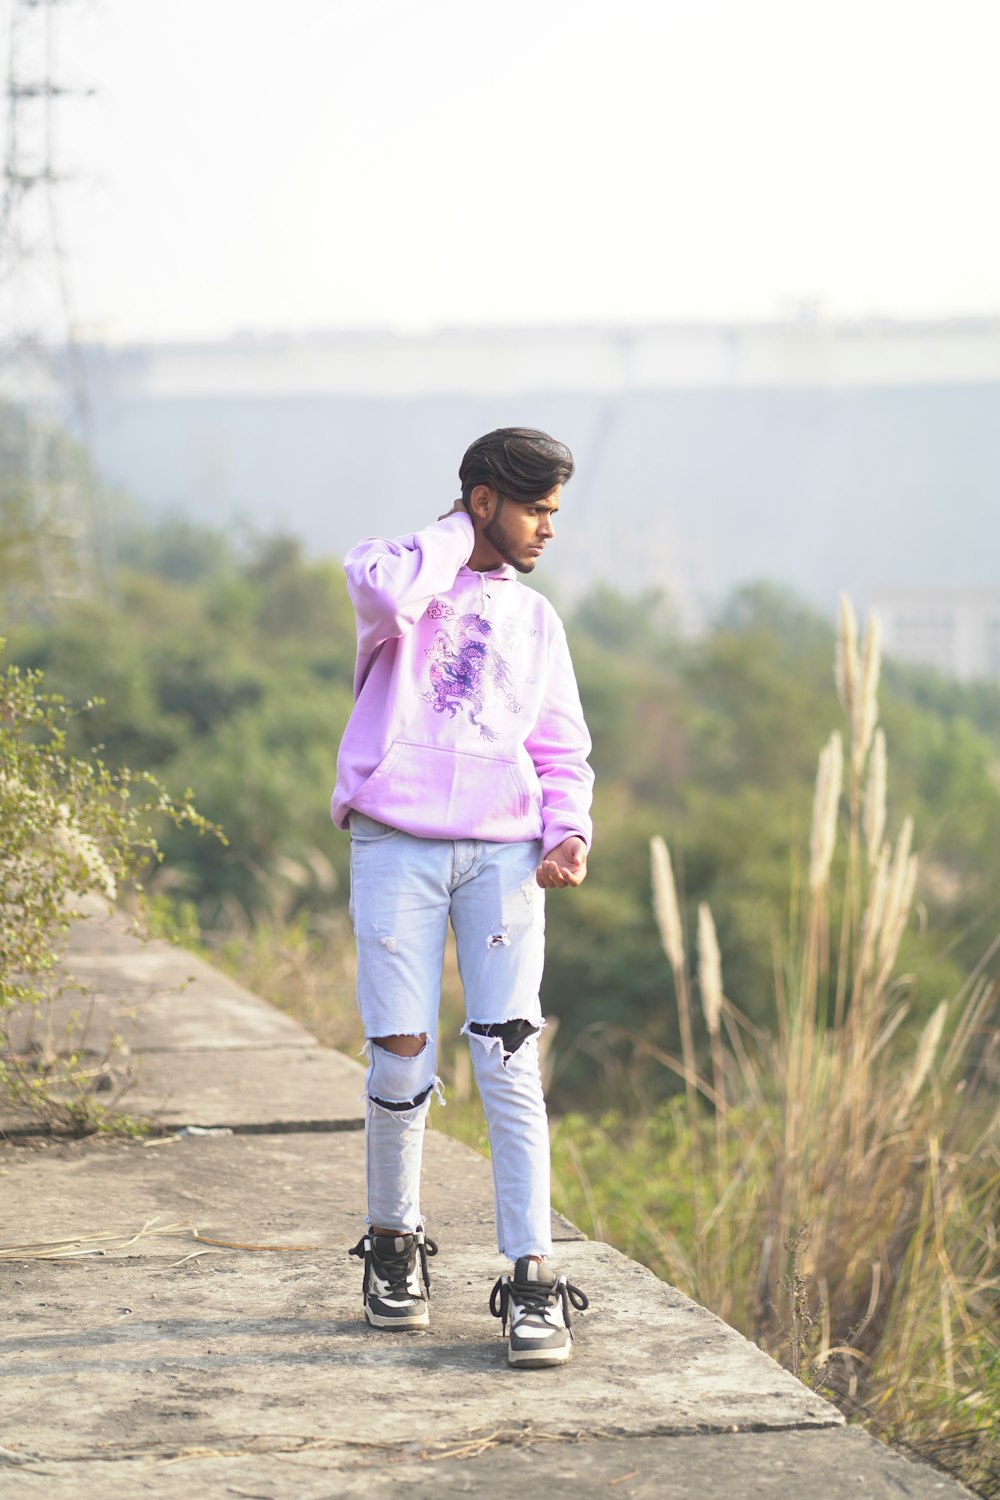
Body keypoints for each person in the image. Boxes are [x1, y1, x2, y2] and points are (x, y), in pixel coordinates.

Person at [331, 427, 594, 1368]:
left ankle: (532, 1276)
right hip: (396, 842)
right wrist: (454, 532)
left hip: (501, 858)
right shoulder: (404, 582)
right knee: (402, 1056)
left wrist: (567, 828)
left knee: (509, 1058)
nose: (548, 530)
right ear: (483, 500)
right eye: (535, 508)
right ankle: (393, 1247)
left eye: (556, 512)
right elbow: (378, 586)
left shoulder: (537, 622)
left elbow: (562, 746)